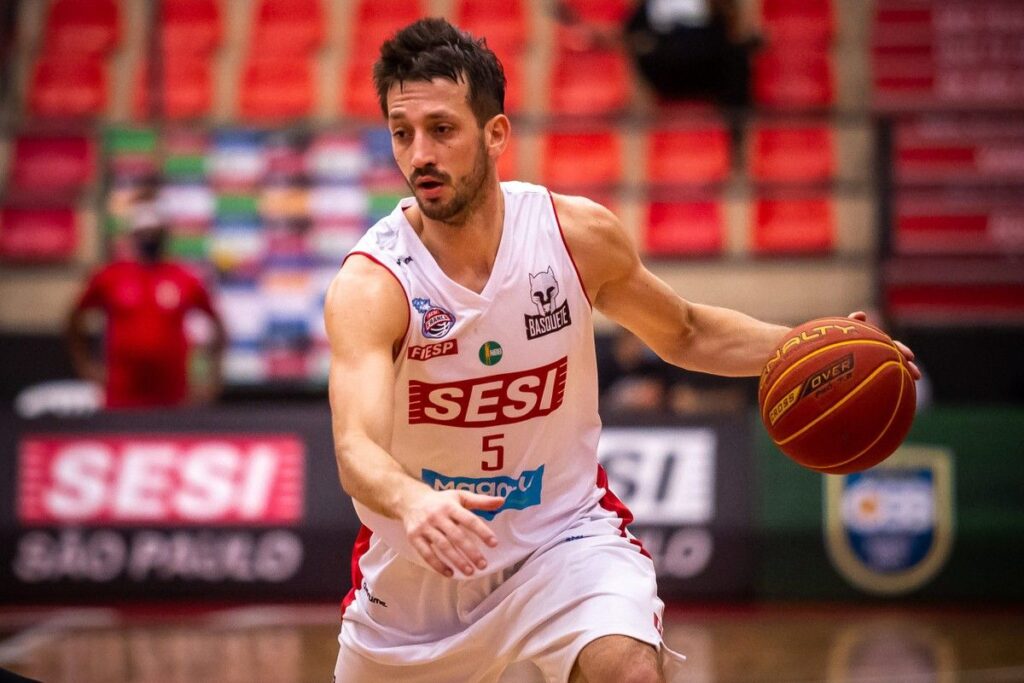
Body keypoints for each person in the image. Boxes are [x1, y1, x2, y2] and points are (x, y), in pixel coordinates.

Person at [323, 18, 919, 683]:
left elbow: (686, 331)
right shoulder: (374, 284)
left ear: (495, 134)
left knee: (629, 669)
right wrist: (411, 500)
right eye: (402, 134)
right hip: (418, 573)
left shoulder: (572, 235)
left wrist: (820, 343)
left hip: (561, 541)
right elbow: (356, 451)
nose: (419, 155)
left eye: (442, 129)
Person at [67, 189, 226, 409]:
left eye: (154, 233)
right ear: (133, 235)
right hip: (121, 397)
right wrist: (85, 366)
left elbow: (218, 324)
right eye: (144, 233)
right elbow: (75, 318)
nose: (149, 240)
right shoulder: (111, 276)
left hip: (172, 398)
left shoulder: (184, 277)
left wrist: (212, 379)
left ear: (165, 235)